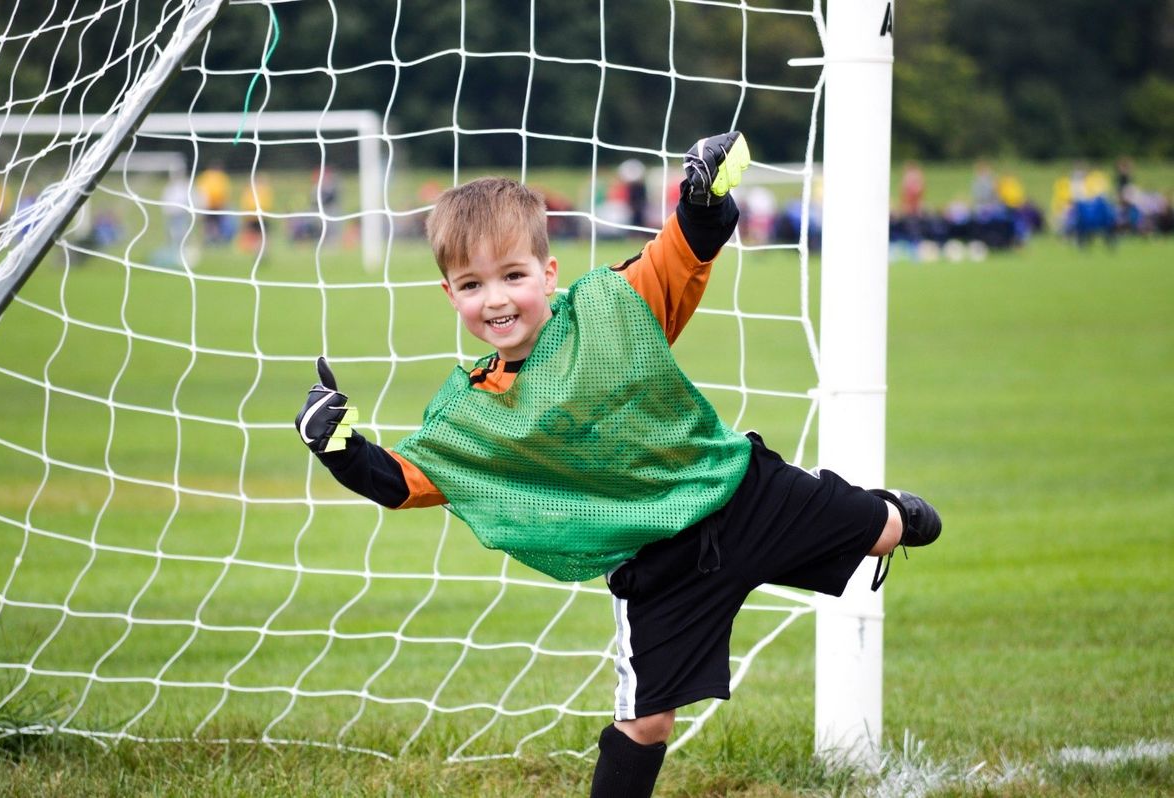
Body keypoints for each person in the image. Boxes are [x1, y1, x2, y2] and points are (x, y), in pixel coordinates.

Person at [294, 132, 941, 798]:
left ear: (548, 274)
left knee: (900, 529)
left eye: (512, 275)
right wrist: (336, 442)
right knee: (645, 721)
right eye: (472, 284)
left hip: (740, 494)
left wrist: (703, 193)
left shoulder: (611, 308)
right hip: (659, 566)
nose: (496, 299)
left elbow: (683, 250)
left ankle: (881, 509)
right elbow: (407, 481)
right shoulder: (471, 413)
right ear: (448, 293)